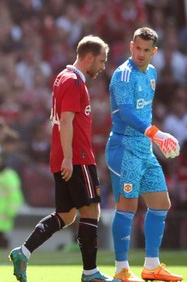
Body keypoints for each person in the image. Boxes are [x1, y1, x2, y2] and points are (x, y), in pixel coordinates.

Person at [9, 35, 113, 282]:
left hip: (64, 156)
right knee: (91, 211)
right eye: (101, 60)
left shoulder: (61, 77)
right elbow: (66, 120)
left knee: (66, 215)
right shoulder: (73, 81)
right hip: (76, 156)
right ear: (88, 57)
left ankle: (23, 252)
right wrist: (69, 157)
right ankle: (90, 273)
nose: (103, 66)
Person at [105, 27, 183, 282]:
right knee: (127, 206)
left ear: (154, 52)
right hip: (124, 149)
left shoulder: (151, 73)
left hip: (145, 150)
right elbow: (126, 113)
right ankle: (121, 269)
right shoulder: (123, 75)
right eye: (137, 48)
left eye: (146, 50)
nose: (140, 53)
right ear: (131, 46)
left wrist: (153, 137)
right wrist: (157, 133)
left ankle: (151, 265)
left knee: (161, 204)